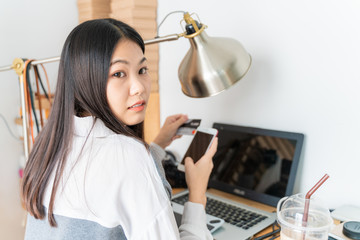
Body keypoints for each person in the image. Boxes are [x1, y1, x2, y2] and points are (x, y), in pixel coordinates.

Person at [20, 18, 217, 240]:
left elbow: (110, 179)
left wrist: (158, 145)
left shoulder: (48, 145)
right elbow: (122, 166)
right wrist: (197, 194)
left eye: (142, 69)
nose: (139, 87)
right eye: (119, 74)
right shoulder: (128, 156)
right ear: (86, 79)